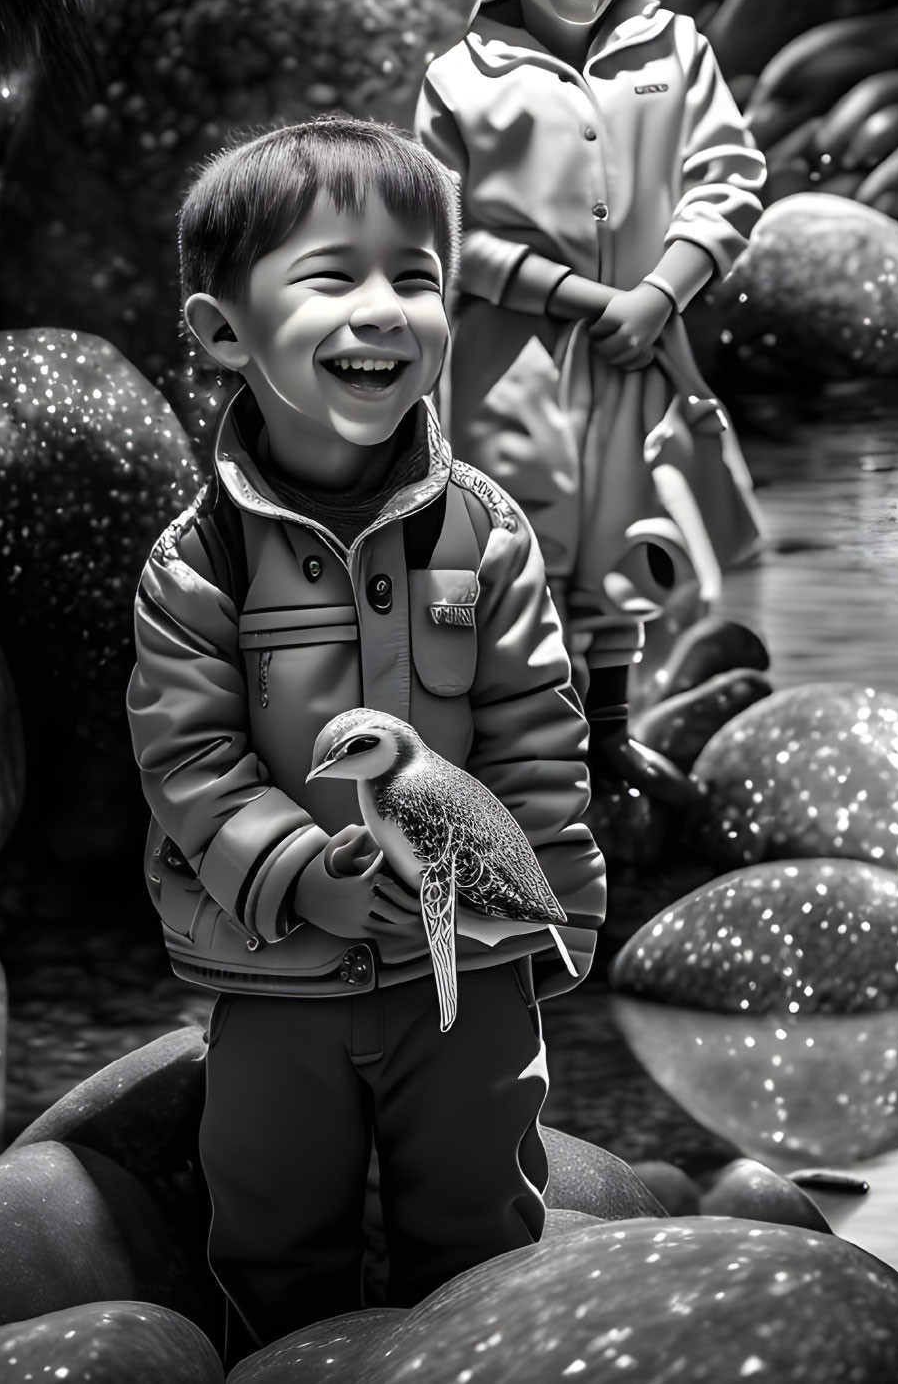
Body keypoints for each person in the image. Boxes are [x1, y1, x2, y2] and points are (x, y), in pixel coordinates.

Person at [126, 117, 606, 1359]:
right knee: (274, 1214)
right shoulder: (198, 564)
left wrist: (558, 918)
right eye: (333, 276)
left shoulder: (483, 532)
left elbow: (536, 735)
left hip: (471, 978)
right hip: (274, 969)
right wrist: (299, 875)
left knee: (483, 1211)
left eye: (418, 277)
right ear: (225, 332)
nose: (385, 310)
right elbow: (190, 763)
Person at [416, 0, 767, 787]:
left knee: (629, 535)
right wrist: (577, 298)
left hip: (641, 357)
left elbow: (731, 176)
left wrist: (659, 292)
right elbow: (445, 235)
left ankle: (607, 731)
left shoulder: (679, 54)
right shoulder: (459, 82)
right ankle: (503, 740)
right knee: (508, 536)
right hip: (511, 363)